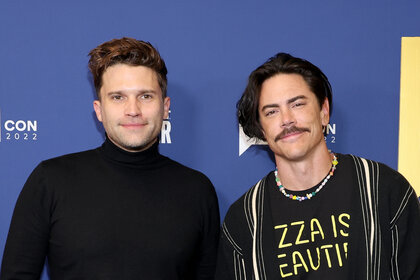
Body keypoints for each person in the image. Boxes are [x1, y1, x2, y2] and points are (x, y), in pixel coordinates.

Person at [1, 37, 220, 280]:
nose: (133, 110)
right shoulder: (50, 180)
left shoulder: (197, 191)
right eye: (118, 97)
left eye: (145, 96)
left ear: (165, 107)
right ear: (99, 110)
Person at [216, 53, 420, 279]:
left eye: (297, 104)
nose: (287, 119)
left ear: (324, 111)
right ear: (262, 130)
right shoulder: (245, 219)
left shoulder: (384, 189)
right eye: (272, 112)